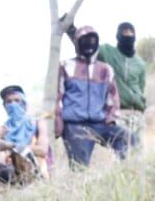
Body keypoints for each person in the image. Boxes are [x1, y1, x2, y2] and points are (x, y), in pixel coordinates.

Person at [56, 25, 132, 168]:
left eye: (92, 40)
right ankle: (79, 188)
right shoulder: (66, 66)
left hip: (100, 123)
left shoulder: (105, 69)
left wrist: (111, 120)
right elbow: (57, 97)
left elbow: (113, 99)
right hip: (75, 125)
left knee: (131, 140)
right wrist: (58, 123)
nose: (89, 43)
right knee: (80, 167)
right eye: (85, 40)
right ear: (77, 43)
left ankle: (124, 174)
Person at [95, 22, 147, 154]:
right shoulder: (108, 53)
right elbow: (88, 44)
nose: (128, 36)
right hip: (118, 113)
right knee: (122, 152)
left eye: (131, 33)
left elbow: (141, 87)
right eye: (124, 33)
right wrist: (72, 31)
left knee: (139, 152)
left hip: (137, 114)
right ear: (118, 36)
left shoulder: (140, 63)